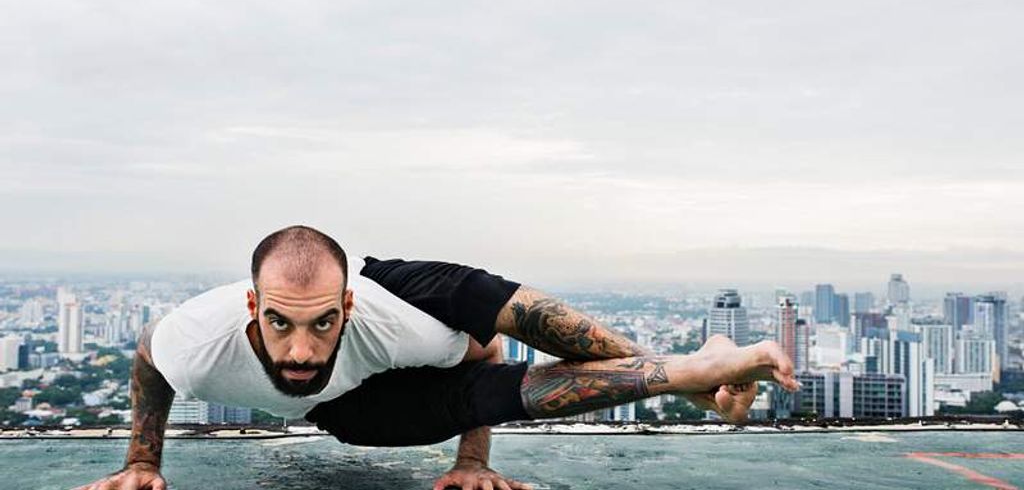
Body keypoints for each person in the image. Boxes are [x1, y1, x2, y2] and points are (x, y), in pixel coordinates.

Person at [76, 225, 799, 490]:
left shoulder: (392, 320)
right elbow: (148, 364)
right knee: (386, 419)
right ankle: (703, 373)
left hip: (398, 293)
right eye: (281, 327)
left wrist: (474, 461)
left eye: (323, 325)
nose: (301, 351)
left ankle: (699, 374)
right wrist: (143, 460)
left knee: (478, 303)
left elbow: (487, 355)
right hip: (349, 406)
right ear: (250, 313)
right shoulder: (194, 340)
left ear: (346, 309)